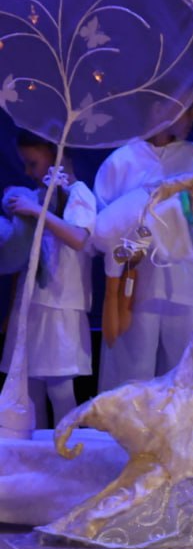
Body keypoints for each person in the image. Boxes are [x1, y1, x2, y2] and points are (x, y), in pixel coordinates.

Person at [94, 100, 193, 393]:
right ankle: (125, 422)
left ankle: (186, 424)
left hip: (187, 282)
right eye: (188, 109)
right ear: (163, 108)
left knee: (186, 370)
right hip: (136, 285)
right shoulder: (122, 161)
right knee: (132, 371)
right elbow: (104, 228)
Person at [0, 131, 96, 427]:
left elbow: (79, 238)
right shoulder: (38, 197)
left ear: (56, 156)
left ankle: (67, 446)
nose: (28, 171)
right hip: (32, 304)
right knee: (30, 389)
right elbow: (25, 257)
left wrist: (37, 211)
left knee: (60, 388)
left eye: (33, 163)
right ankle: (37, 449)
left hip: (61, 304)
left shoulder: (79, 193)